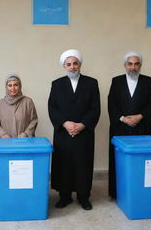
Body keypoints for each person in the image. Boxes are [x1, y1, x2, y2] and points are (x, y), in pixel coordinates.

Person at [48, 49, 100, 210]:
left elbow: (95, 108)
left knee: (83, 165)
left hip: (83, 132)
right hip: (64, 133)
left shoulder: (91, 83)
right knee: (64, 164)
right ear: (64, 66)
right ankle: (64, 196)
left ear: (80, 64)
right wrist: (65, 123)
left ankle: (84, 197)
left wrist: (82, 125)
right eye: (68, 64)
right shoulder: (57, 84)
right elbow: (52, 108)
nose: (72, 67)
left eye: (75, 63)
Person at [108, 51, 151, 199]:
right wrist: (123, 118)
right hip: (120, 128)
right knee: (119, 161)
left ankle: (138, 192)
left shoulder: (148, 81)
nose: (133, 67)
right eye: (130, 64)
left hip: (141, 127)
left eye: (136, 64)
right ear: (125, 65)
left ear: (140, 66)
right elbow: (112, 104)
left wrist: (140, 116)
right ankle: (117, 192)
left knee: (140, 162)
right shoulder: (116, 81)